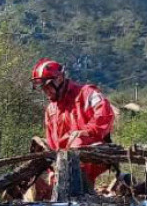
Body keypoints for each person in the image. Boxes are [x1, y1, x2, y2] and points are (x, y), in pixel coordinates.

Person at [31, 59, 115, 187]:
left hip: (94, 154)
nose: (45, 91)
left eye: (47, 86)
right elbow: (53, 144)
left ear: (58, 79)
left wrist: (87, 131)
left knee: (77, 141)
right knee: (39, 148)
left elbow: (105, 115)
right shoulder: (51, 110)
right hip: (64, 163)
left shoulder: (86, 93)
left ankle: (80, 189)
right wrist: (53, 169)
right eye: (42, 88)